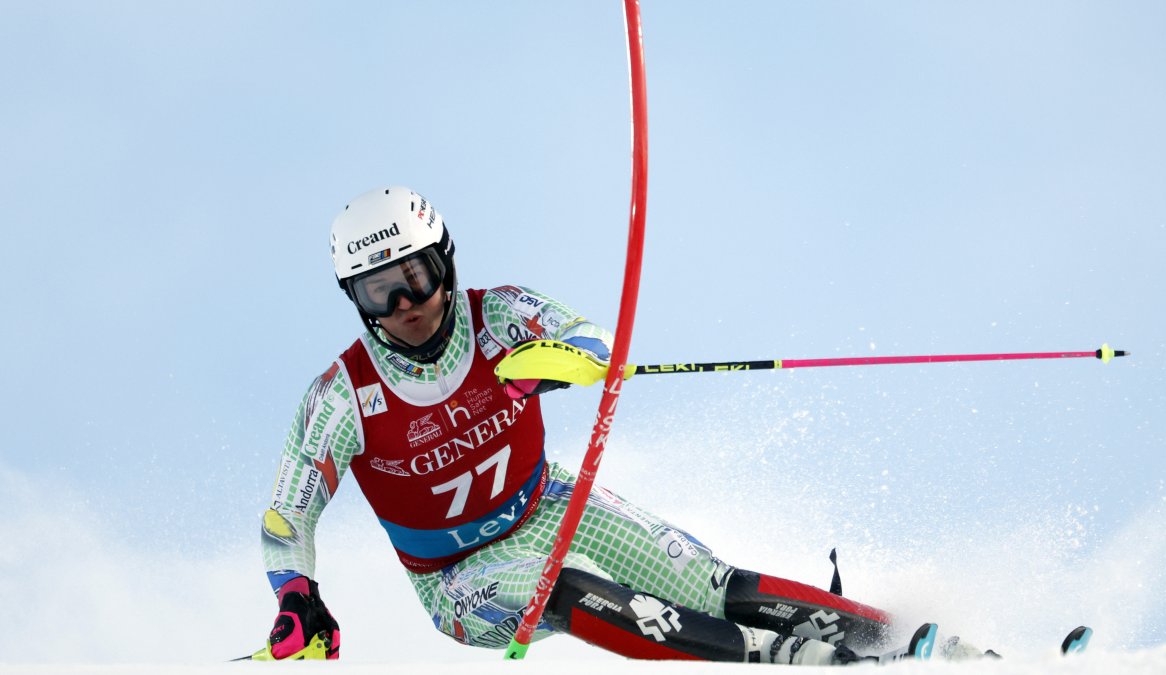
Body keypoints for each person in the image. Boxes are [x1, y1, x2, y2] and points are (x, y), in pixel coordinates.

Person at [258, 186, 925, 665]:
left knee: (712, 586)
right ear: (357, 300)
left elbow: (592, 343)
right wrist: (297, 593)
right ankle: (792, 661)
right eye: (382, 291)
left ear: (445, 261)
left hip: (549, 501)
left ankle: (906, 643)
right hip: (458, 578)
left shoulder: (500, 315)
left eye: (418, 276)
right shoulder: (342, 396)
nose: (409, 304)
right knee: (560, 579)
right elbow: (287, 514)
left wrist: (543, 366)